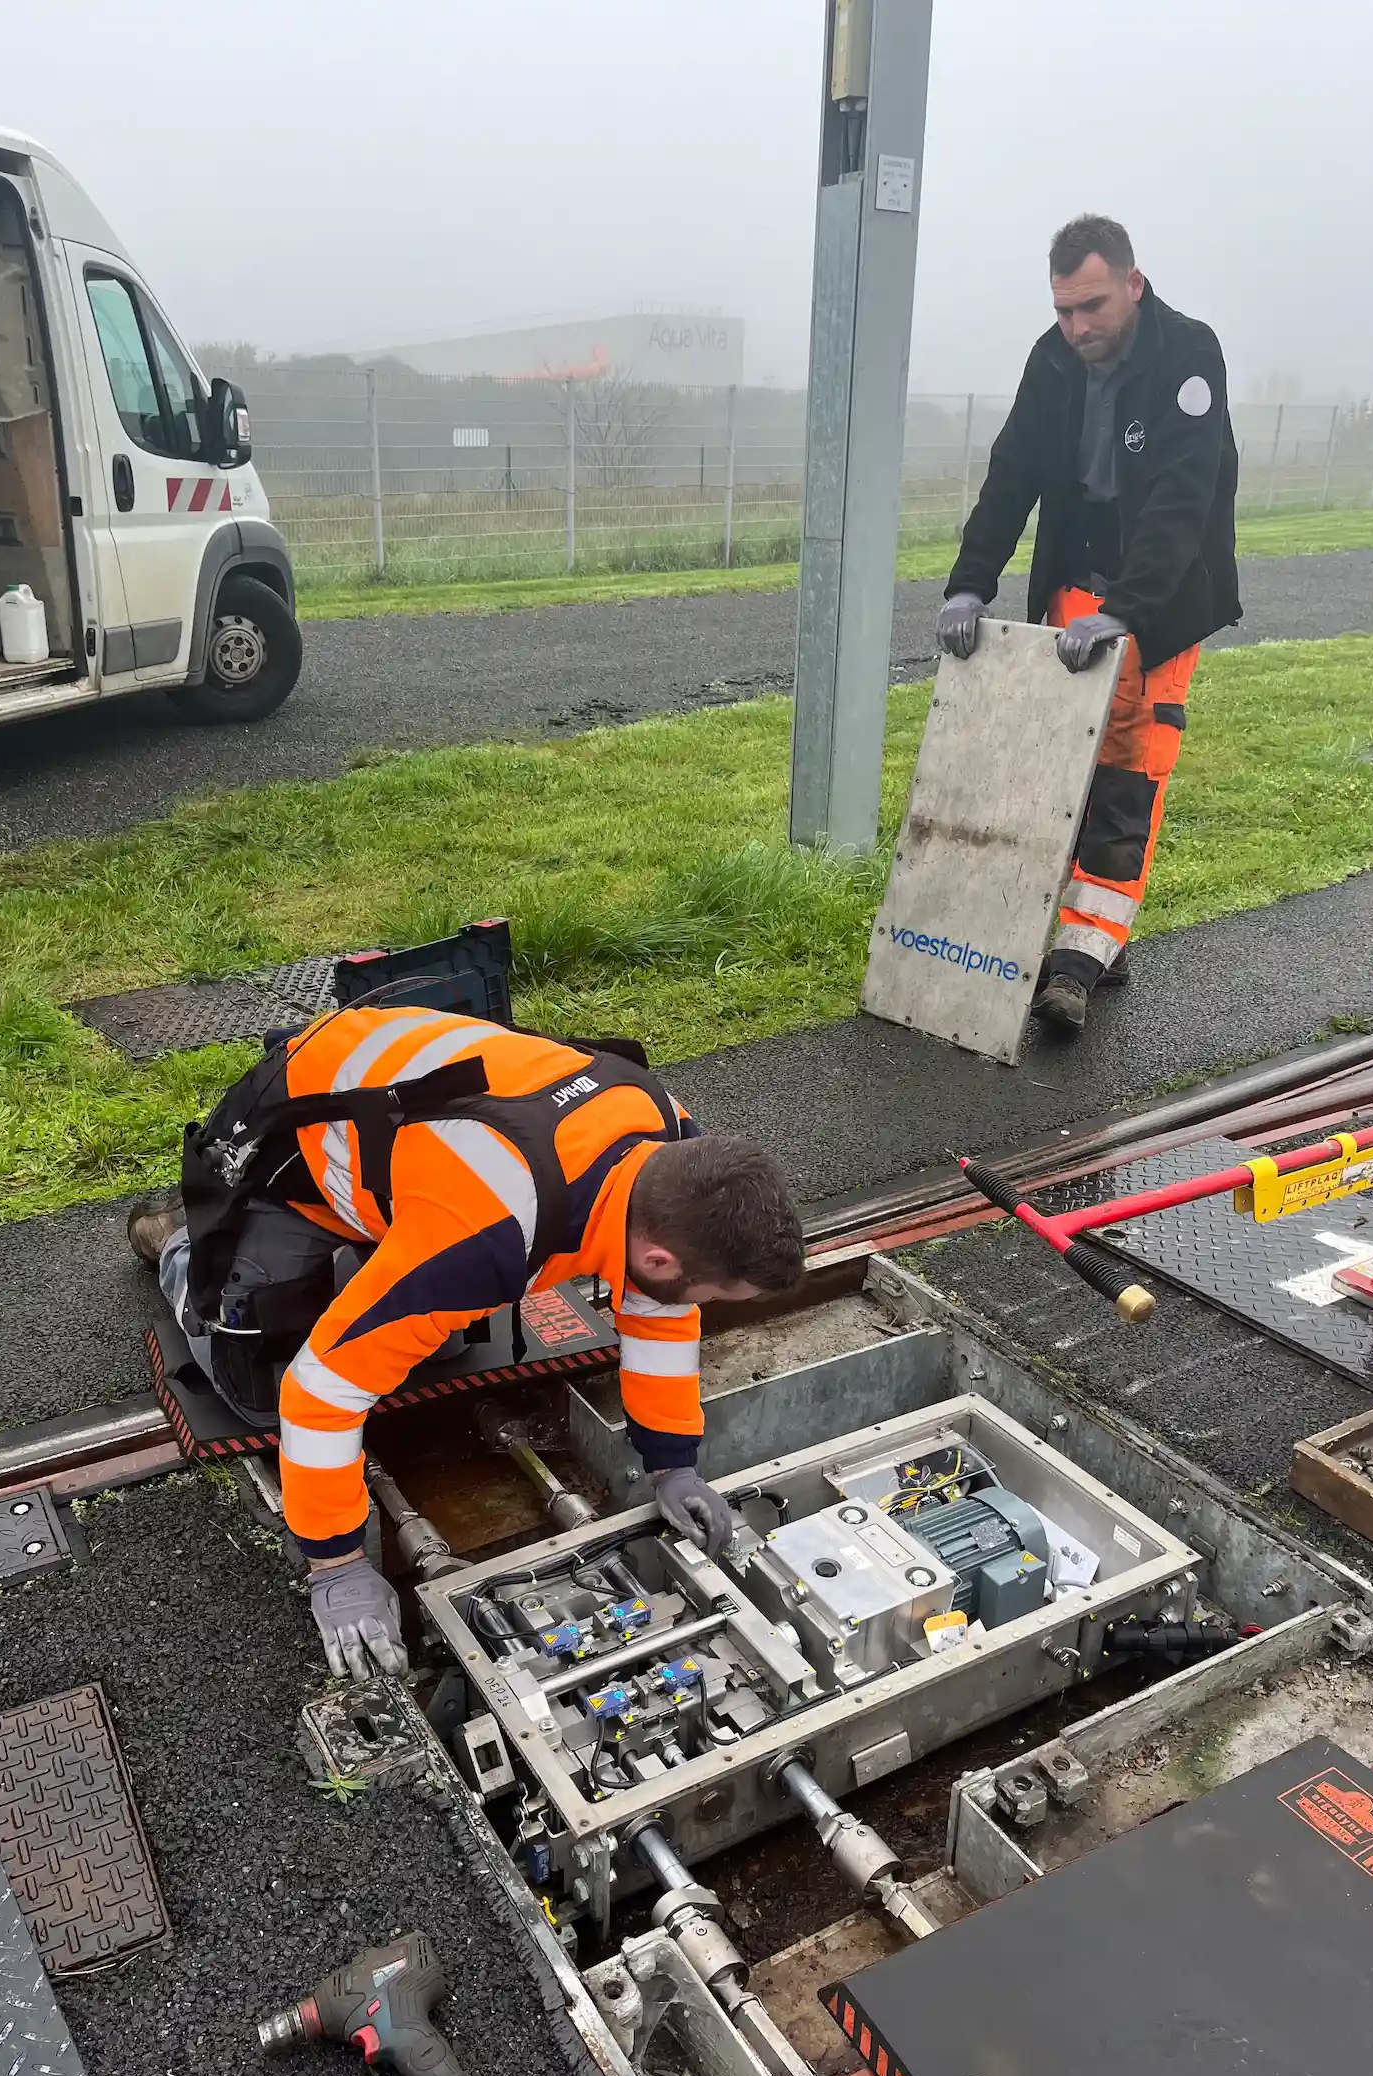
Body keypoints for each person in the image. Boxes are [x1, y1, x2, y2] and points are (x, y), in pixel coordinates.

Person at [128, 1003, 806, 1678]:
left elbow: (659, 1310)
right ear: (659, 1257)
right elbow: (320, 1391)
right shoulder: (487, 1231)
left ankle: (380, 1253)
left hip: (422, 1119)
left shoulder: (675, 1142)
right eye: (717, 1293)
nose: (708, 1306)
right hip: (300, 1135)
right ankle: (181, 1243)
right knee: (267, 1390)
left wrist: (672, 1461)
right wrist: (335, 1565)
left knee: (430, 1333)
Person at [936, 214, 1240, 1032]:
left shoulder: (1188, 355)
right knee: (1055, 772)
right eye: (1064, 310)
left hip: (1161, 597)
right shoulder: (1053, 359)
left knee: (1127, 774)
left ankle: (1074, 963)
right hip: (1077, 585)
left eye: (1092, 308)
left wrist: (1125, 612)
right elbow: (1012, 474)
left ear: (1134, 286)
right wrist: (969, 585)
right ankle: (1087, 933)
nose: (1076, 328)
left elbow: (1183, 500)